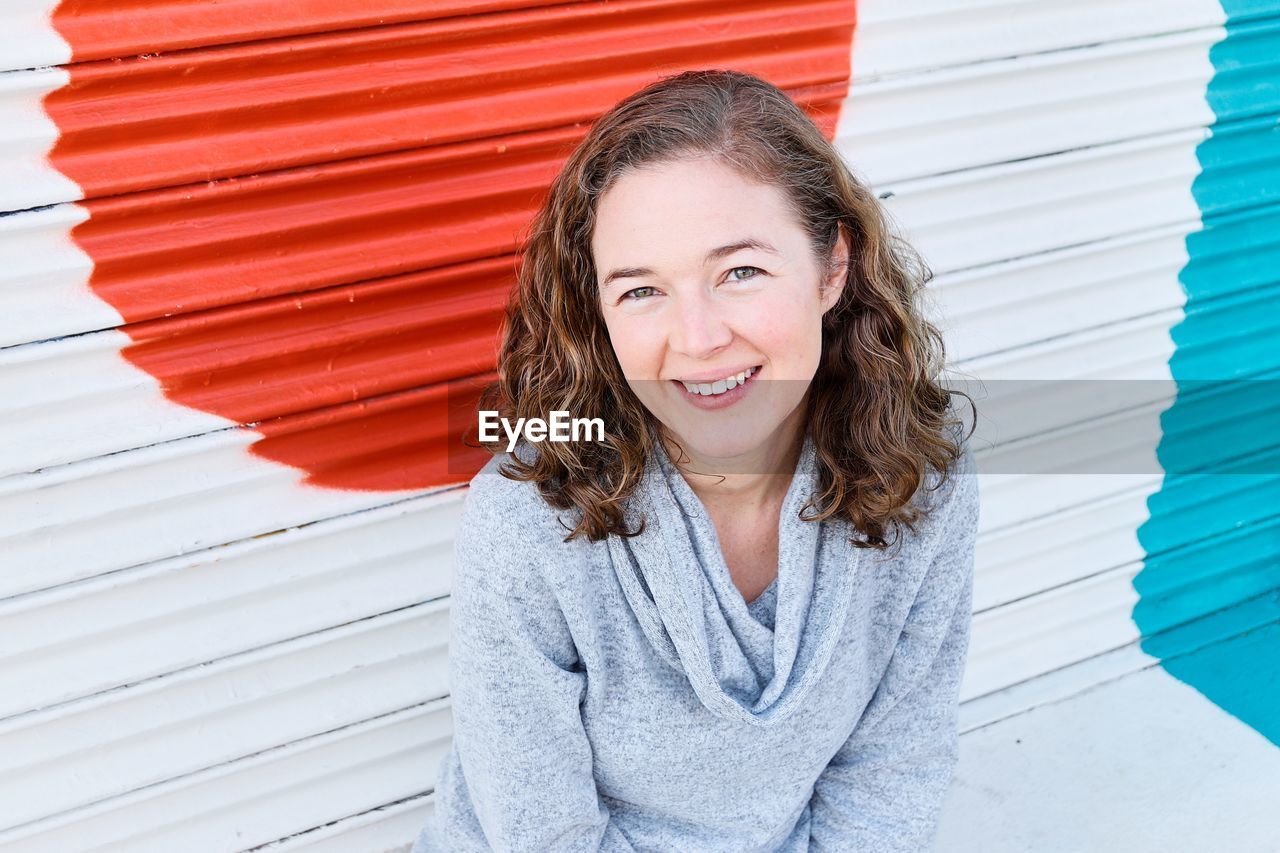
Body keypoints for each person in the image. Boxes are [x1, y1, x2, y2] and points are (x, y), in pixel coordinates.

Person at [410, 68, 980, 853]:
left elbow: (891, 771)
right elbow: (545, 834)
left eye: (739, 271)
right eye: (641, 291)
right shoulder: (528, 517)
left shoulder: (925, 479)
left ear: (832, 269)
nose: (699, 337)